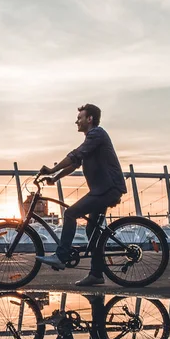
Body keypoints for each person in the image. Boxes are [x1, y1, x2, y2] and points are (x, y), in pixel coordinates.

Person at [37, 104, 127, 286]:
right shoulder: (91, 140)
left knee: (70, 213)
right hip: (103, 189)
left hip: (108, 189)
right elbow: (75, 163)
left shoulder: (97, 134)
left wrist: (53, 168)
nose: (76, 121)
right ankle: (96, 274)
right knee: (91, 231)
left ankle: (61, 256)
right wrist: (55, 178)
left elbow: (75, 155)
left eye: (79, 118)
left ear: (90, 119)